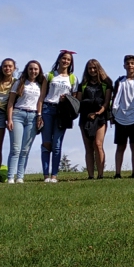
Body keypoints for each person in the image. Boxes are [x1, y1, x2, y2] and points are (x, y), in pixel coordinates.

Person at [40, 51, 78, 183]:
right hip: (47, 109)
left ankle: (54, 175)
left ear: (71, 62)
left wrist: (66, 99)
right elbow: (42, 95)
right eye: (64, 58)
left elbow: (75, 99)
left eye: (68, 59)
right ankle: (45, 175)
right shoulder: (49, 75)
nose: (65, 61)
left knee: (57, 144)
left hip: (63, 113)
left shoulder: (73, 78)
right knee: (46, 143)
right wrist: (39, 114)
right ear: (59, 60)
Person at [7, 60, 45, 183]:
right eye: (31, 69)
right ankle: (10, 177)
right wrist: (9, 119)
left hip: (33, 117)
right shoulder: (19, 83)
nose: (33, 71)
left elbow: (40, 102)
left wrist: (39, 116)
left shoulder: (41, 85)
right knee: (15, 148)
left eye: (35, 69)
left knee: (25, 150)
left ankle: (20, 177)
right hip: (18, 114)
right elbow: (11, 102)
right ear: (27, 70)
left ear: (39, 71)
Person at [76, 58, 114, 179]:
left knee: (98, 145)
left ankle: (100, 174)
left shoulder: (106, 83)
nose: (92, 70)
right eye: (90, 68)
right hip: (85, 118)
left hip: (100, 117)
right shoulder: (82, 85)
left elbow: (107, 103)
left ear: (98, 69)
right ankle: (90, 175)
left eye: (94, 68)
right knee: (88, 147)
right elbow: (78, 102)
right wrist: (86, 113)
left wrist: (97, 113)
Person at [111, 54, 134, 177]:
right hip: (121, 117)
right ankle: (118, 173)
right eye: (128, 63)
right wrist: (112, 114)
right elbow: (114, 99)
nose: (130, 65)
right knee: (120, 146)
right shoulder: (119, 81)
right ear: (124, 65)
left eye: (132, 63)